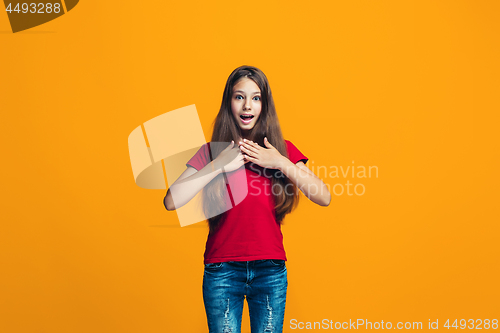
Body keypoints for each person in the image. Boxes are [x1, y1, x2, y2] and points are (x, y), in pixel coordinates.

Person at [163, 65, 330, 333]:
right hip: (222, 270)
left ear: (264, 104)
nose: (246, 105)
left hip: (270, 270)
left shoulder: (282, 150)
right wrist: (218, 165)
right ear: (229, 101)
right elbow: (172, 201)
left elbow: (324, 196)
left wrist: (280, 162)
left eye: (255, 97)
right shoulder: (213, 152)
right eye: (239, 96)